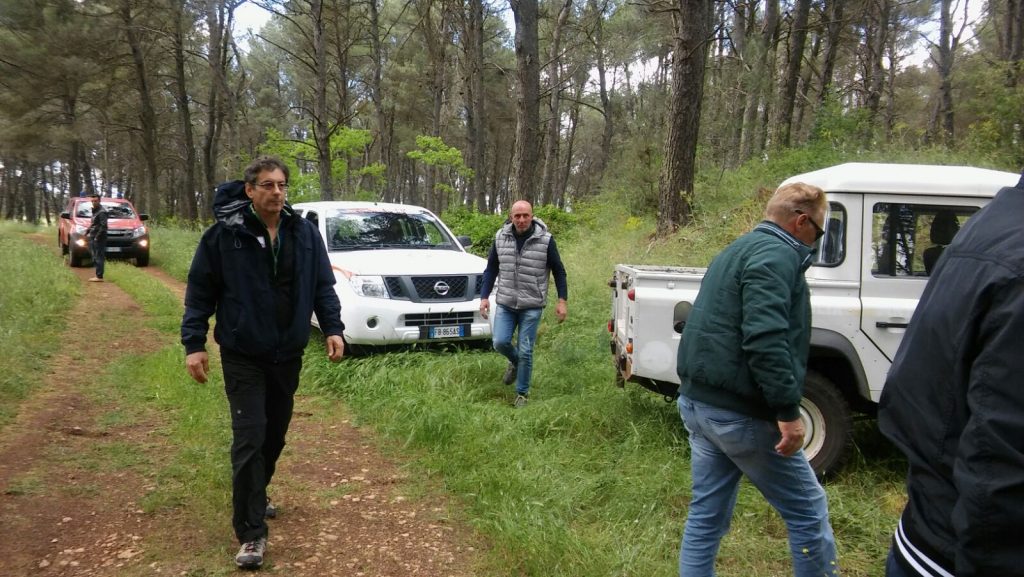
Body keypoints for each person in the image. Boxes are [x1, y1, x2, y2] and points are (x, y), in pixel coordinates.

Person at [180, 156, 345, 570]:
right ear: (249, 190)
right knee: (250, 438)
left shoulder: (304, 234)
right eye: (267, 185)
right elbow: (200, 292)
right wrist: (194, 343)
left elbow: (323, 286)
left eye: (282, 185)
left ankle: (257, 491)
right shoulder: (223, 237)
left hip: (287, 353)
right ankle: (251, 533)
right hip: (243, 353)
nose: (276, 192)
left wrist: (333, 327)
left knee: (275, 436)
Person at [675, 182, 839, 577]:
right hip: (738, 414)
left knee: (706, 515)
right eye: (818, 232)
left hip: (699, 405)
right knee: (808, 513)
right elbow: (765, 339)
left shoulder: (736, 249)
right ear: (801, 222)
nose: (816, 242)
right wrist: (787, 411)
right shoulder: (778, 257)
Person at [878, 170, 1024, 577]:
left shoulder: (993, 220)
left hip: (929, 516)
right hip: (956, 546)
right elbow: (1003, 471)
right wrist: (787, 410)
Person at [479, 200, 568, 408]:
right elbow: (491, 269)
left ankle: (522, 393)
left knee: (526, 349)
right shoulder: (501, 237)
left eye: (525, 215)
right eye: (517, 216)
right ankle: (515, 361)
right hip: (506, 302)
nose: (521, 220)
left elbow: (559, 271)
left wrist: (562, 300)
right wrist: (484, 297)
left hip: (532, 304)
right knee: (500, 342)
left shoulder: (545, 240)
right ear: (511, 217)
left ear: (532, 216)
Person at [85, 193, 108, 282]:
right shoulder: (95, 211)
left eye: (95, 201)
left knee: (99, 256)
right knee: (95, 256)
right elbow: (94, 224)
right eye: (92, 201)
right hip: (93, 235)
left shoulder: (102, 212)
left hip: (99, 237)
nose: (94, 202)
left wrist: (97, 237)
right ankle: (98, 275)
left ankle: (99, 276)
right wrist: (87, 231)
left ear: (99, 201)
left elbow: (104, 226)